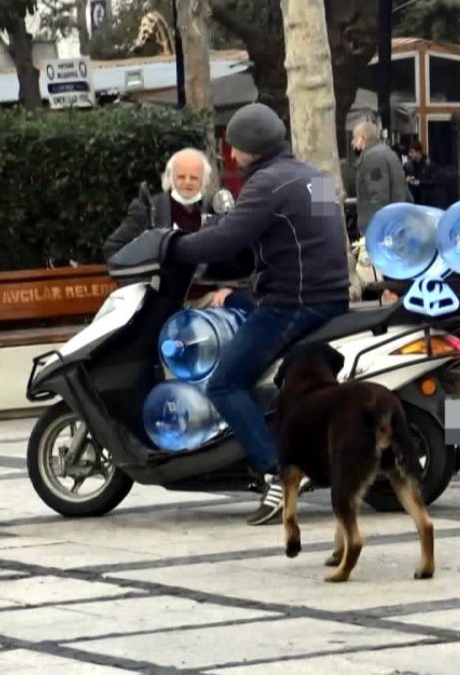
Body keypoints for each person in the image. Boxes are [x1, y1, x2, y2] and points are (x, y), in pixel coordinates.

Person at [165, 102, 351, 525]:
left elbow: (226, 239)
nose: (231, 154)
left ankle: (277, 471)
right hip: (330, 295)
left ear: (250, 148)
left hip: (293, 303)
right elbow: (302, 234)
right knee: (239, 305)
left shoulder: (267, 183)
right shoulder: (315, 176)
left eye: (234, 146)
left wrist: (171, 247)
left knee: (225, 382)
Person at [103, 147, 249, 307]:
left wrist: (228, 287)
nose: (187, 182)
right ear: (170, 178)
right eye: (181, 177)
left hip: (209, 299)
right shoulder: (149, 209)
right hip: (161, 302)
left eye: (194, 177)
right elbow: (113, 248)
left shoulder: (215, 209)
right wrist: (140, 287)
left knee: (242, 305)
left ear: (203, 181)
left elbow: (236, 255)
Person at [352, 121, 409, 237]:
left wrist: (376, 231)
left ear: (363, 138)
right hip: (394, 223)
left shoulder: (372, 157)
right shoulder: (388, 152)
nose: (352, 142)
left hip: (380, 230)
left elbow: (378, 197)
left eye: (354, 138)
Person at [404, 140, 441, 207]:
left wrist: (420, 182)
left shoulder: (429, 165)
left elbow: (434, 181)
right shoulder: (408, 166)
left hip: (426, 199)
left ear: (418, 152)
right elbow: (405, 178)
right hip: (414, 198)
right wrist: (407, 179)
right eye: (409, 152)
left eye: (412, 152)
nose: (410, 155)